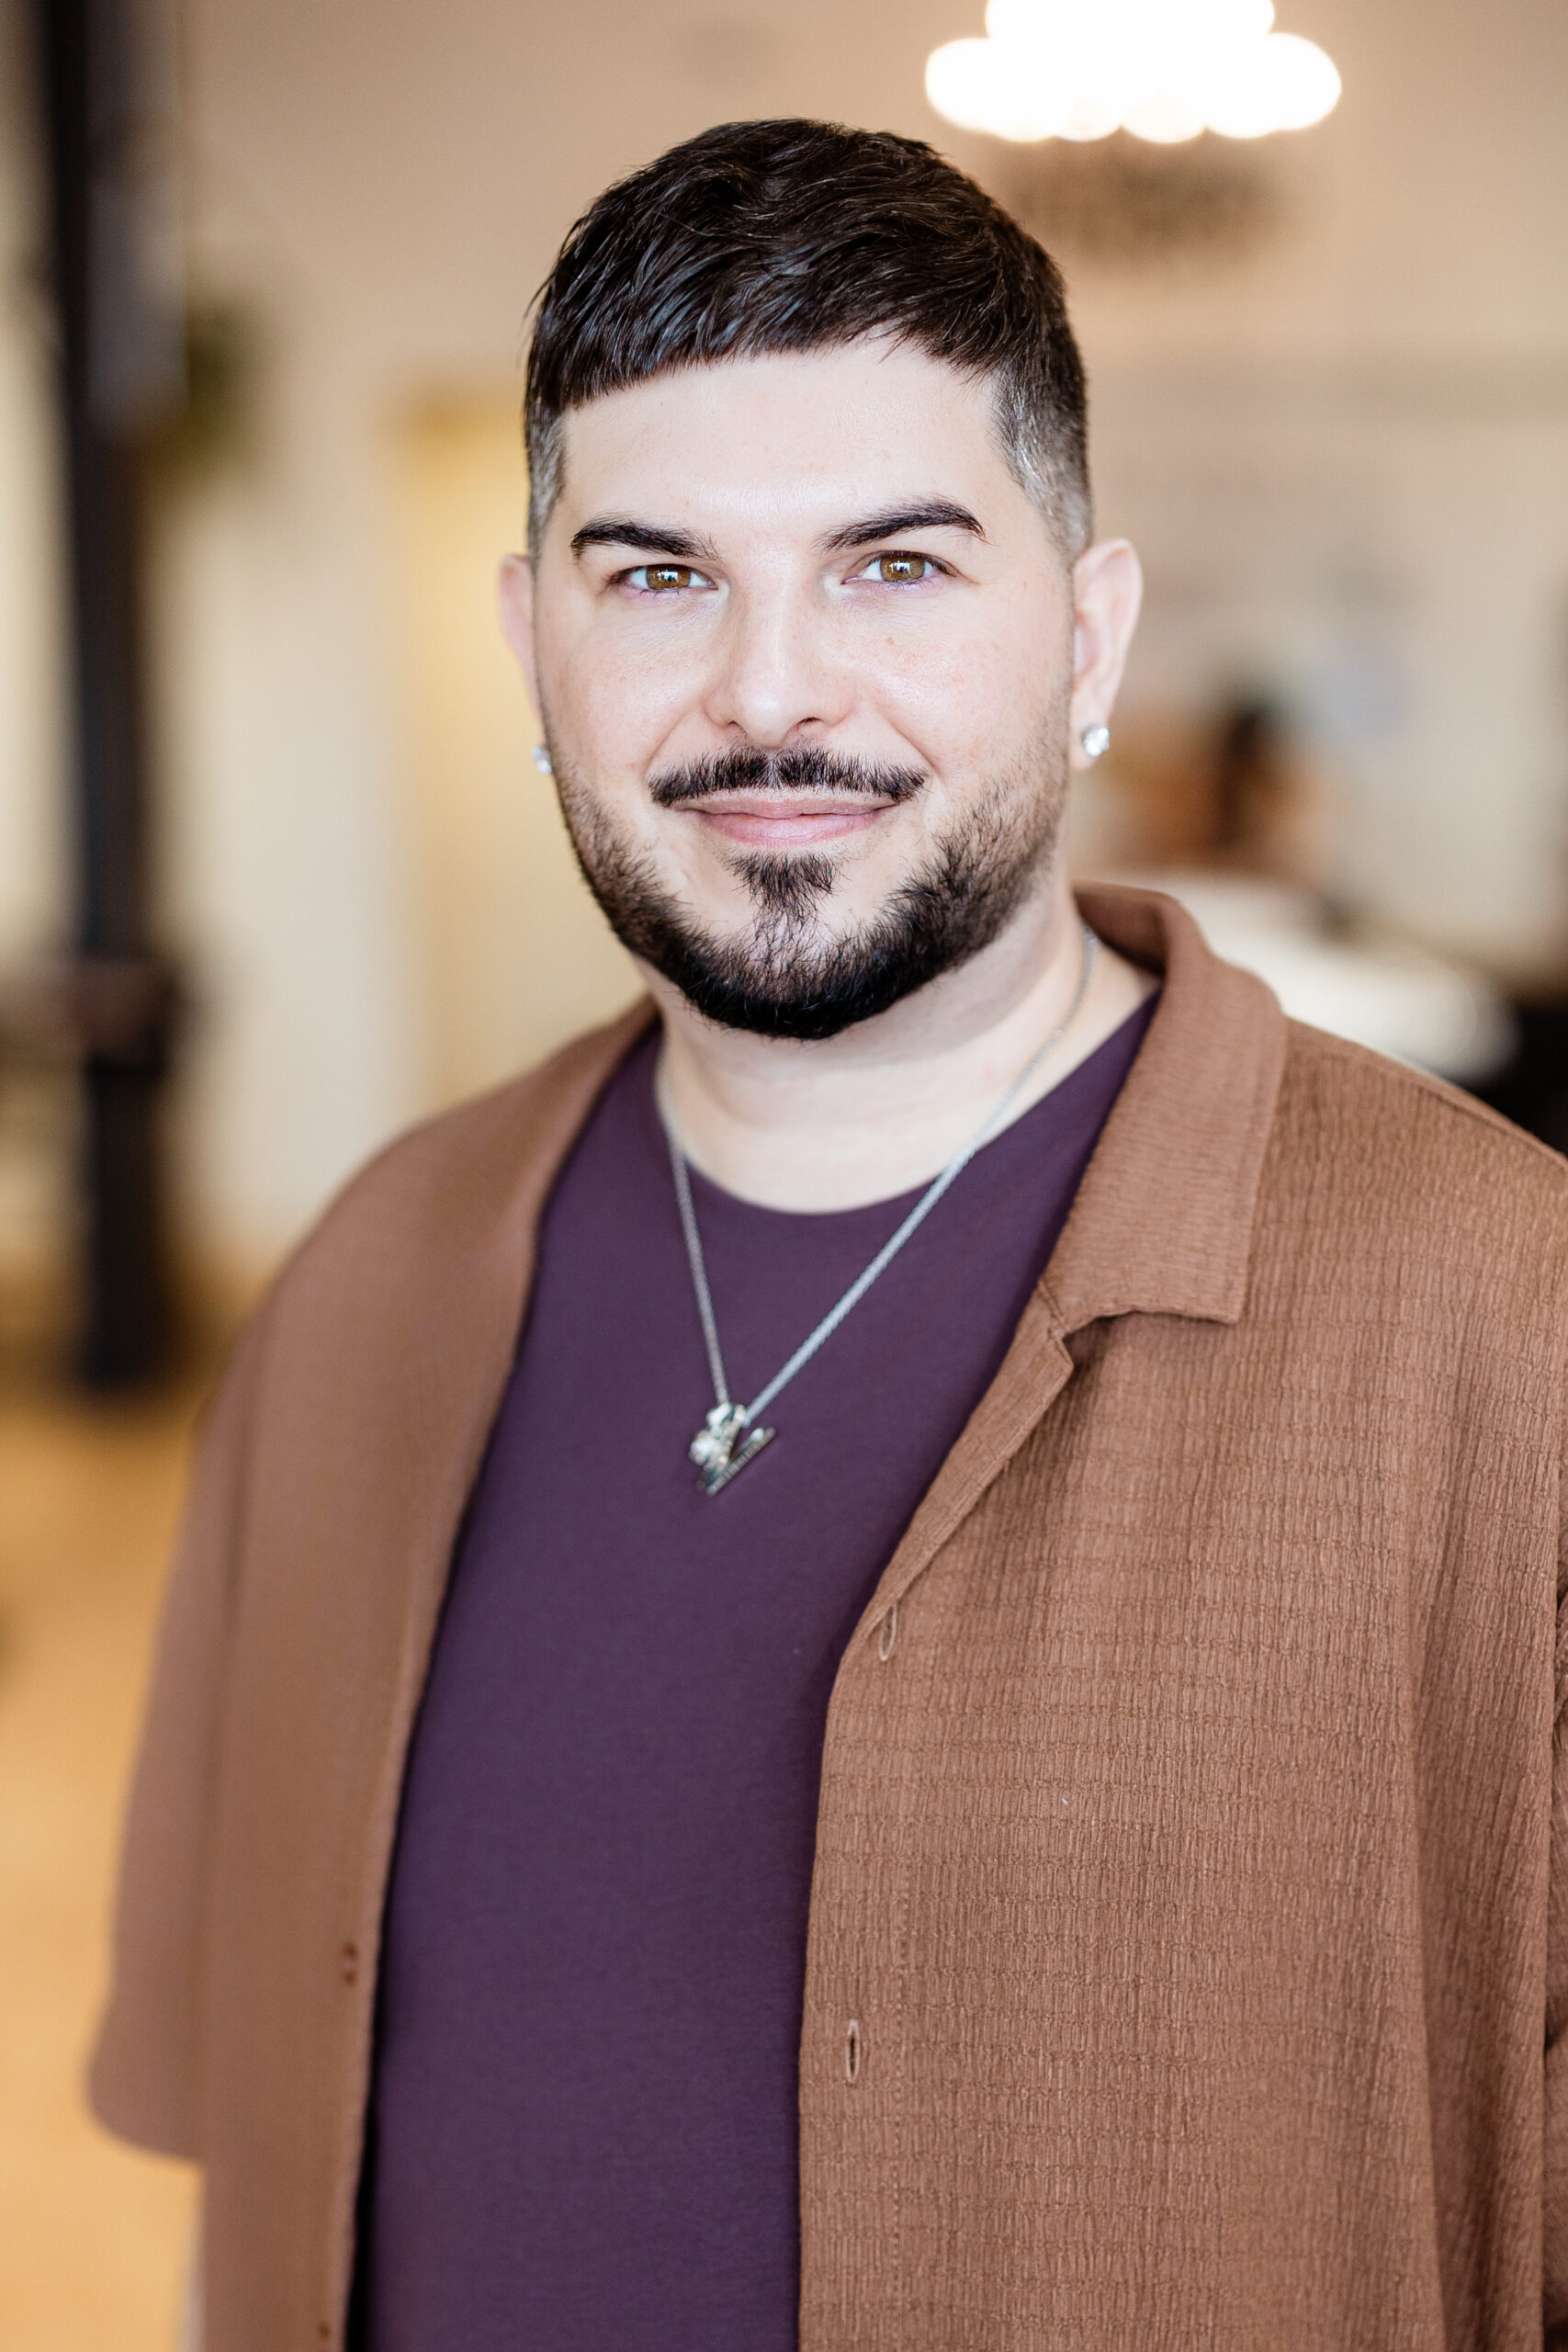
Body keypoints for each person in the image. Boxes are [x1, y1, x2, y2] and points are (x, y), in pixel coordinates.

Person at [91, 119, 1568, 2352]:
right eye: (655, 575)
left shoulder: (1503, 1321)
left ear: (1084, 639)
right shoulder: (368, 1281)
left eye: (890, 564)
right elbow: (258, 2183)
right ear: (532, 641)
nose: (770, 694)